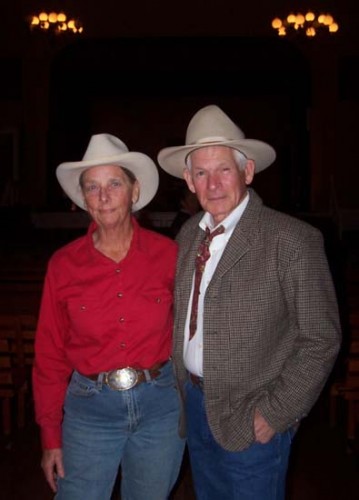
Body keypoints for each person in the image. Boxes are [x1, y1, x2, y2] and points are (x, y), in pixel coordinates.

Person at [157, 105, 341, 500]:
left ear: (248, 171)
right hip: (194, 407)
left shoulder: (291, 240)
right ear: (189, 180)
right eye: (202, 173)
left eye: (224, 169)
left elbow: (321, 339)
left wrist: (275, 412)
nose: (214, 184)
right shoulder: (188, 236)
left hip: (251, 416)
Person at [33, 133, 185, 500]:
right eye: (92, 187)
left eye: (114, 183)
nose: (103, 196)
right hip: (89, 411)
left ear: (134, 192)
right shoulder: (63, 265)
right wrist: (50, 437)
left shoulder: (169, 255)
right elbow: (50, 356)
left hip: (160, 408)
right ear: (83, 199)